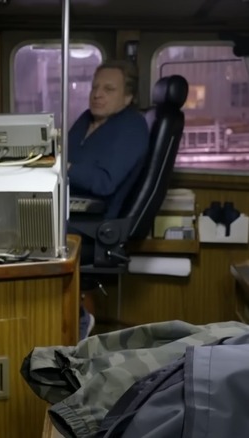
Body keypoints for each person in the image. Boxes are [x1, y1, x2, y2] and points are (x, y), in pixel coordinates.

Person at [67, 60, 150, 340]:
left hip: (96, 224)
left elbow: (103, 182)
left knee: (27, 233)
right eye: (95, 87)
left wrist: (65, 168)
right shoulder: (85, 120)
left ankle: (76, 316)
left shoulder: (131, 127)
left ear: (127, 97)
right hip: (72, 209)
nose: (97, 94)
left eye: (108, 89)